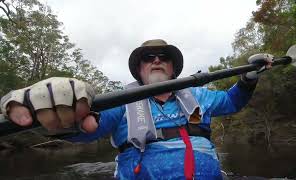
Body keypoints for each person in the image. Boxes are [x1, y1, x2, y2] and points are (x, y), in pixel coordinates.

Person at [0, 39, 272, 179]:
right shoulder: (120, 103)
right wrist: (62, 112)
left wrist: (249, 77)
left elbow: (233, 101)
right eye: (147, 57)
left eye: (163, 57)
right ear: (139, 68)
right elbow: (85, 129)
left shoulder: (199, 94)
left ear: (172, 67)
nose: (156, 60)